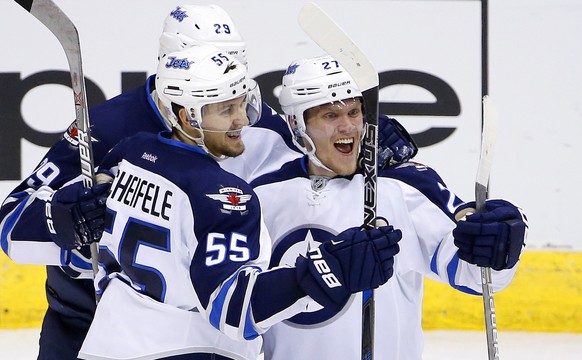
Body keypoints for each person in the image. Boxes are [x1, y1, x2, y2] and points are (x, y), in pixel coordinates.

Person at [0, 4, 415, 359]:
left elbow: (321, 161)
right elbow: (11, 224)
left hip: (184, 323)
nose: (222, 74)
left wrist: (368, 143)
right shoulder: (109, 128)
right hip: (89, 313)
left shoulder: (253, 123)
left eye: (231, 61)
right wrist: (62, 220)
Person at [77, 44, 401, 360]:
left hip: (106, 343)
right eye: (226, 110)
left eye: (242, 104)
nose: (243, 120)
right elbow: (233, 312)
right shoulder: (226, 197)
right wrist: (327, 268)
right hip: (189, 352)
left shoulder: (132, 153)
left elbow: (80, 238)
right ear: (187, 118)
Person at [250, 55, 529, 360]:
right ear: (296, 124)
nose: (348, 126)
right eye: (330, 115)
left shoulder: (401, 187)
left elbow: (472, 274)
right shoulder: (263, 194)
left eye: (355, 112)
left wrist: (498, 247)